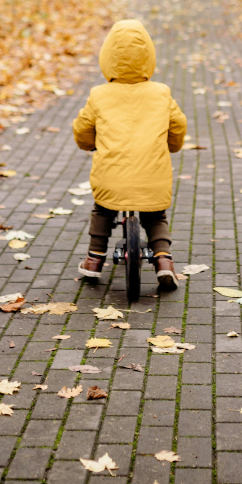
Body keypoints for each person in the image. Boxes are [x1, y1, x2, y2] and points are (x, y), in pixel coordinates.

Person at [73, 19, 187, 290]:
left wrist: (89, 144)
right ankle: (164, 262)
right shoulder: (161, 93)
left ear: (107, 56)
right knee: (155, 215)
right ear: (149, 56)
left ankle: (93, 260)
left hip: (111, 176)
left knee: (102, 210)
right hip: (152, 176)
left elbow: (82, 128)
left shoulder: (99, 94)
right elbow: (178, 126)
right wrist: (172, 145)